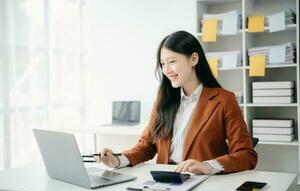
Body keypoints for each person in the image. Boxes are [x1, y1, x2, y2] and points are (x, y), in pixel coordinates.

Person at [95, 30, 257, 175]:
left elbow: (246, 155)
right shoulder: (163, 100)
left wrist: (208, 166)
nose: (166, 70)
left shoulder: (224, 100)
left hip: (202, 183)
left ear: (193, 59)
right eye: (163, 64)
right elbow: (147, 146)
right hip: (165, 181)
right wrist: (117, 160)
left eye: (172, 61)